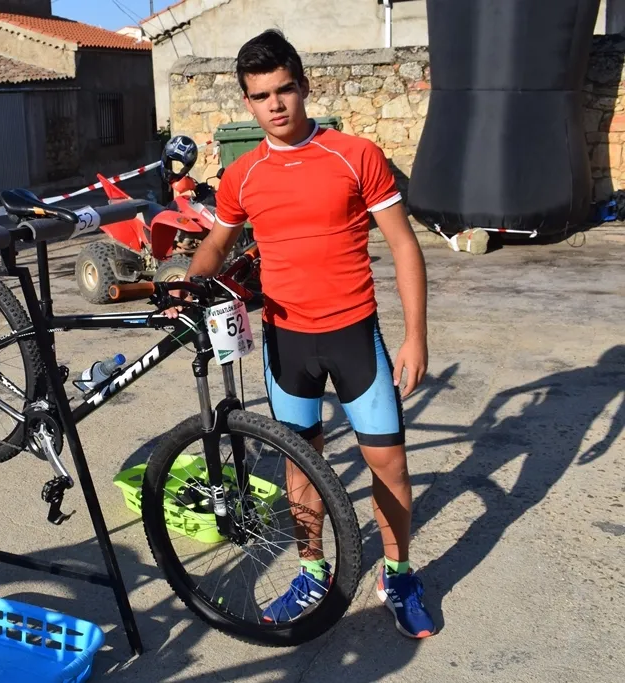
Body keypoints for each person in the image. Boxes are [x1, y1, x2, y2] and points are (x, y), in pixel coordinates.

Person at [171, 29, 436, 638]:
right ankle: (312, 572)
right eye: (261, 96)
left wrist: (416, 336)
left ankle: (398, 576)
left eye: (285, 89)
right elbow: (216, 243)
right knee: (300, 467)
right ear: (248, 102)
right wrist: (190, 283)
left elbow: (403, 245)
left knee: (389, 463)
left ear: (304, 86)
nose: (276, 105)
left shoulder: (356, 154)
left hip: (353, 334)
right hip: (287, 341)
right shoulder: (242, 175)